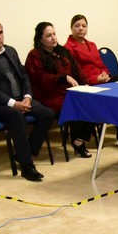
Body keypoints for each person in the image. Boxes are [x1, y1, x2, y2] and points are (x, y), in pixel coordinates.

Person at [0, 19, 56, 181]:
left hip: (20, 100)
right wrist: (13, 104)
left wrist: (27, 97)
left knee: (48, 114)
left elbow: (24, 76)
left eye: (1, 32)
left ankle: (24, 153)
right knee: (17, 116)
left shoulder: (10, 51)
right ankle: (27, 166)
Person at [64, 14, 118, 148]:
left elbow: (101, 64)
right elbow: (75, 72)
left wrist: (107, 75)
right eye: (77, 26)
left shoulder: (92, 45)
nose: (81, 28)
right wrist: (95, 79)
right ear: (71, 28)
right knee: (116, 95)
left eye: (84, 26)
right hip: (87, 84)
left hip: (102, 81)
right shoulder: (68, 48)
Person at [25, 21, 94, 158]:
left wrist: (85, 84)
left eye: (54, 34)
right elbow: (40, 78)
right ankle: (77, 142)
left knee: (93, 103)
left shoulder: (62, 51)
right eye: (48, 36)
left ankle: (79, 140)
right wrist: (63, 78)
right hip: (50, 95)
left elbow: (77, 69)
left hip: (68, 93)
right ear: (40, 39)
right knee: (77, 106)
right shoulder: (34, 55)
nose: (53, 38)